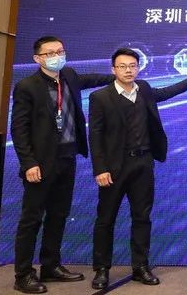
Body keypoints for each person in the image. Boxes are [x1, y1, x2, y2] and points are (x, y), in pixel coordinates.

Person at [87, 48, 187, 289]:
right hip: (114, 167)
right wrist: (100, 169)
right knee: (106, 219)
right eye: (122, 66)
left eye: (132, 66)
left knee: (142, 217)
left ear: (138, 68)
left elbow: (164, 93)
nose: (128, 70)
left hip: (143, 163)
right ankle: (101, 269)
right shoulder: (100, 97)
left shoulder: (144, 89)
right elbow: (95, 136)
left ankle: (140, 267)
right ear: (113, 69)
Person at [10, 36, 114, 294]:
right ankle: (23, 274)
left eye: (60, 51)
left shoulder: (68, 76)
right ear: (37, 58)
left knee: (58, 215)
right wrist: (28, 163)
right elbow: (19, 129)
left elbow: (92, 79)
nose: (57, 56)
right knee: (31, 219)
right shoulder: (27, 87)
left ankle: (51, 265)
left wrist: (118, 75)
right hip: (40, 163)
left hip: (67, 158)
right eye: (50, 53)